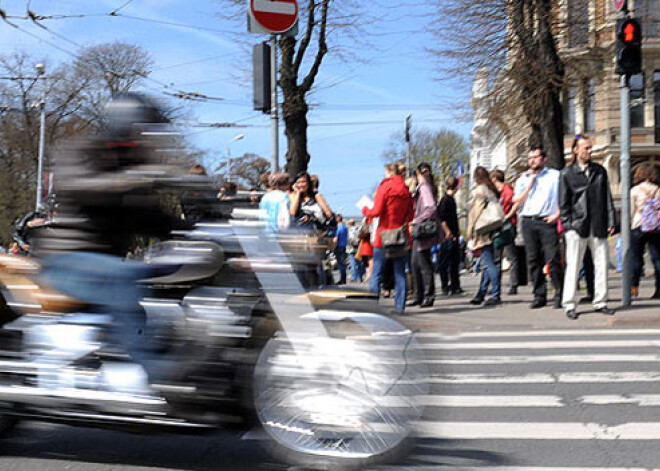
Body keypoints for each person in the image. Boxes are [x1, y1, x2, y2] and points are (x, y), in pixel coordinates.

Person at [34, 93, 187, 383]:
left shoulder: (132, 163)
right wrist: (140, 177)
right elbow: (79, 186)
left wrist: (197, 228)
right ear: (127, 125)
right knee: (125, 275)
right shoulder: (83, 149)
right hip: (67, 259)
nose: (150, 138)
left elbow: (149, 218)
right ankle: (154, 373)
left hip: (104, 262)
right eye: (145, 129)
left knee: (161, 276)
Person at [560, 134, 617, 319]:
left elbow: (606, 197)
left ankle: (600, 301)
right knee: (573, 266)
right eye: (586, 148)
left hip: (598, 223)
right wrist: (569, 226)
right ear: (575, 150)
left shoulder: (599, 171)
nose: (589, 151)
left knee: (601, 265)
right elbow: (564, 203)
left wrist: (610, 221)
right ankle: (569, 303)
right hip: (577, 225)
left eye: (590, 147)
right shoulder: (567, 174)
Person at [513, 145, 563, 309]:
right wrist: (529, 185)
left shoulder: (555, 176)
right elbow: (517, 202)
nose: (532, 161)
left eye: (535, 157)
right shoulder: (523, 179)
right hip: (528, 220)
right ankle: (539, 294)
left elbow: (564, 197)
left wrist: (557, 215)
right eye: (530, 158)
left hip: (546, 221)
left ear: (543, 159)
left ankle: (559, 292)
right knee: (533, 260)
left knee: (553, 258)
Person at [362, 162, 413, 314]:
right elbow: (410, 216)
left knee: (377, 272)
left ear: (390, 172)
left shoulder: (384, 187)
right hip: (400, 236)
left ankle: (372, 307)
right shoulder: (406, 191)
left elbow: (376, 211)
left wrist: (365, 210)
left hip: (383, 236)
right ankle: (399, 307)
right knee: (399, 272)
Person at [467, 166, 502, 306]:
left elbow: (477, 210)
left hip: (483, 229)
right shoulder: (491, 189)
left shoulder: (481, 190)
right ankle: (481, 293)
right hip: (491, 228)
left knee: (488, 263)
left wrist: (470, 228)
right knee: (486, 262)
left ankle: (495, 294)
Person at [408, 163, 441, 308]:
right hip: (422, 231)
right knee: (416, 263)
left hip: (422, 230)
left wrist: (416, 220)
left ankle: (427, 295)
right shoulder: (426, 186)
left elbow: (431, 207)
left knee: (423, 264)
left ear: (416, 173)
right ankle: (419, 294)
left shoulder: (424, 187)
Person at [630, 163, 660, 299]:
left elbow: (631, 211)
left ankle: (634, 287)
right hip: (656, 227)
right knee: (657, 259)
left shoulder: (635, 190)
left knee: (636, 258)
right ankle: (659, 289)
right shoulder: (658, 190)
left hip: (638, 225)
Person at [491, 169, 519, 295]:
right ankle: (496, 285)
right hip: (498, 226)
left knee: (511, 256)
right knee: (497, 257)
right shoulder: (497, 193)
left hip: (507, 226)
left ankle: (513, 284)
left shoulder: (507, 191)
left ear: (494, 179)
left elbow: (514, 204)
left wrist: (508, 216)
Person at [437, 176, 463, 295]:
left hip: (453, 234)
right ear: (456, 187)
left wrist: (457, 229)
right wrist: (447, 231)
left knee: (454, 260)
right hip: (447, 235)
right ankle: (445, 285)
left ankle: (455, 285)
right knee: (445, 261)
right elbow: (442, 218)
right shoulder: (445, 200)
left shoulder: (451, 200)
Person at [334, 214, 348, 284]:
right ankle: (343, 279)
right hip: (344, 246)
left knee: (340, 264)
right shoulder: (345, 227)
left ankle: (342, 280)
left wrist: (333, 247)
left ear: (338, 219)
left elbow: (336, 239)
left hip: (339, 247)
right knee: (343, 263)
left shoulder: (338, 227)